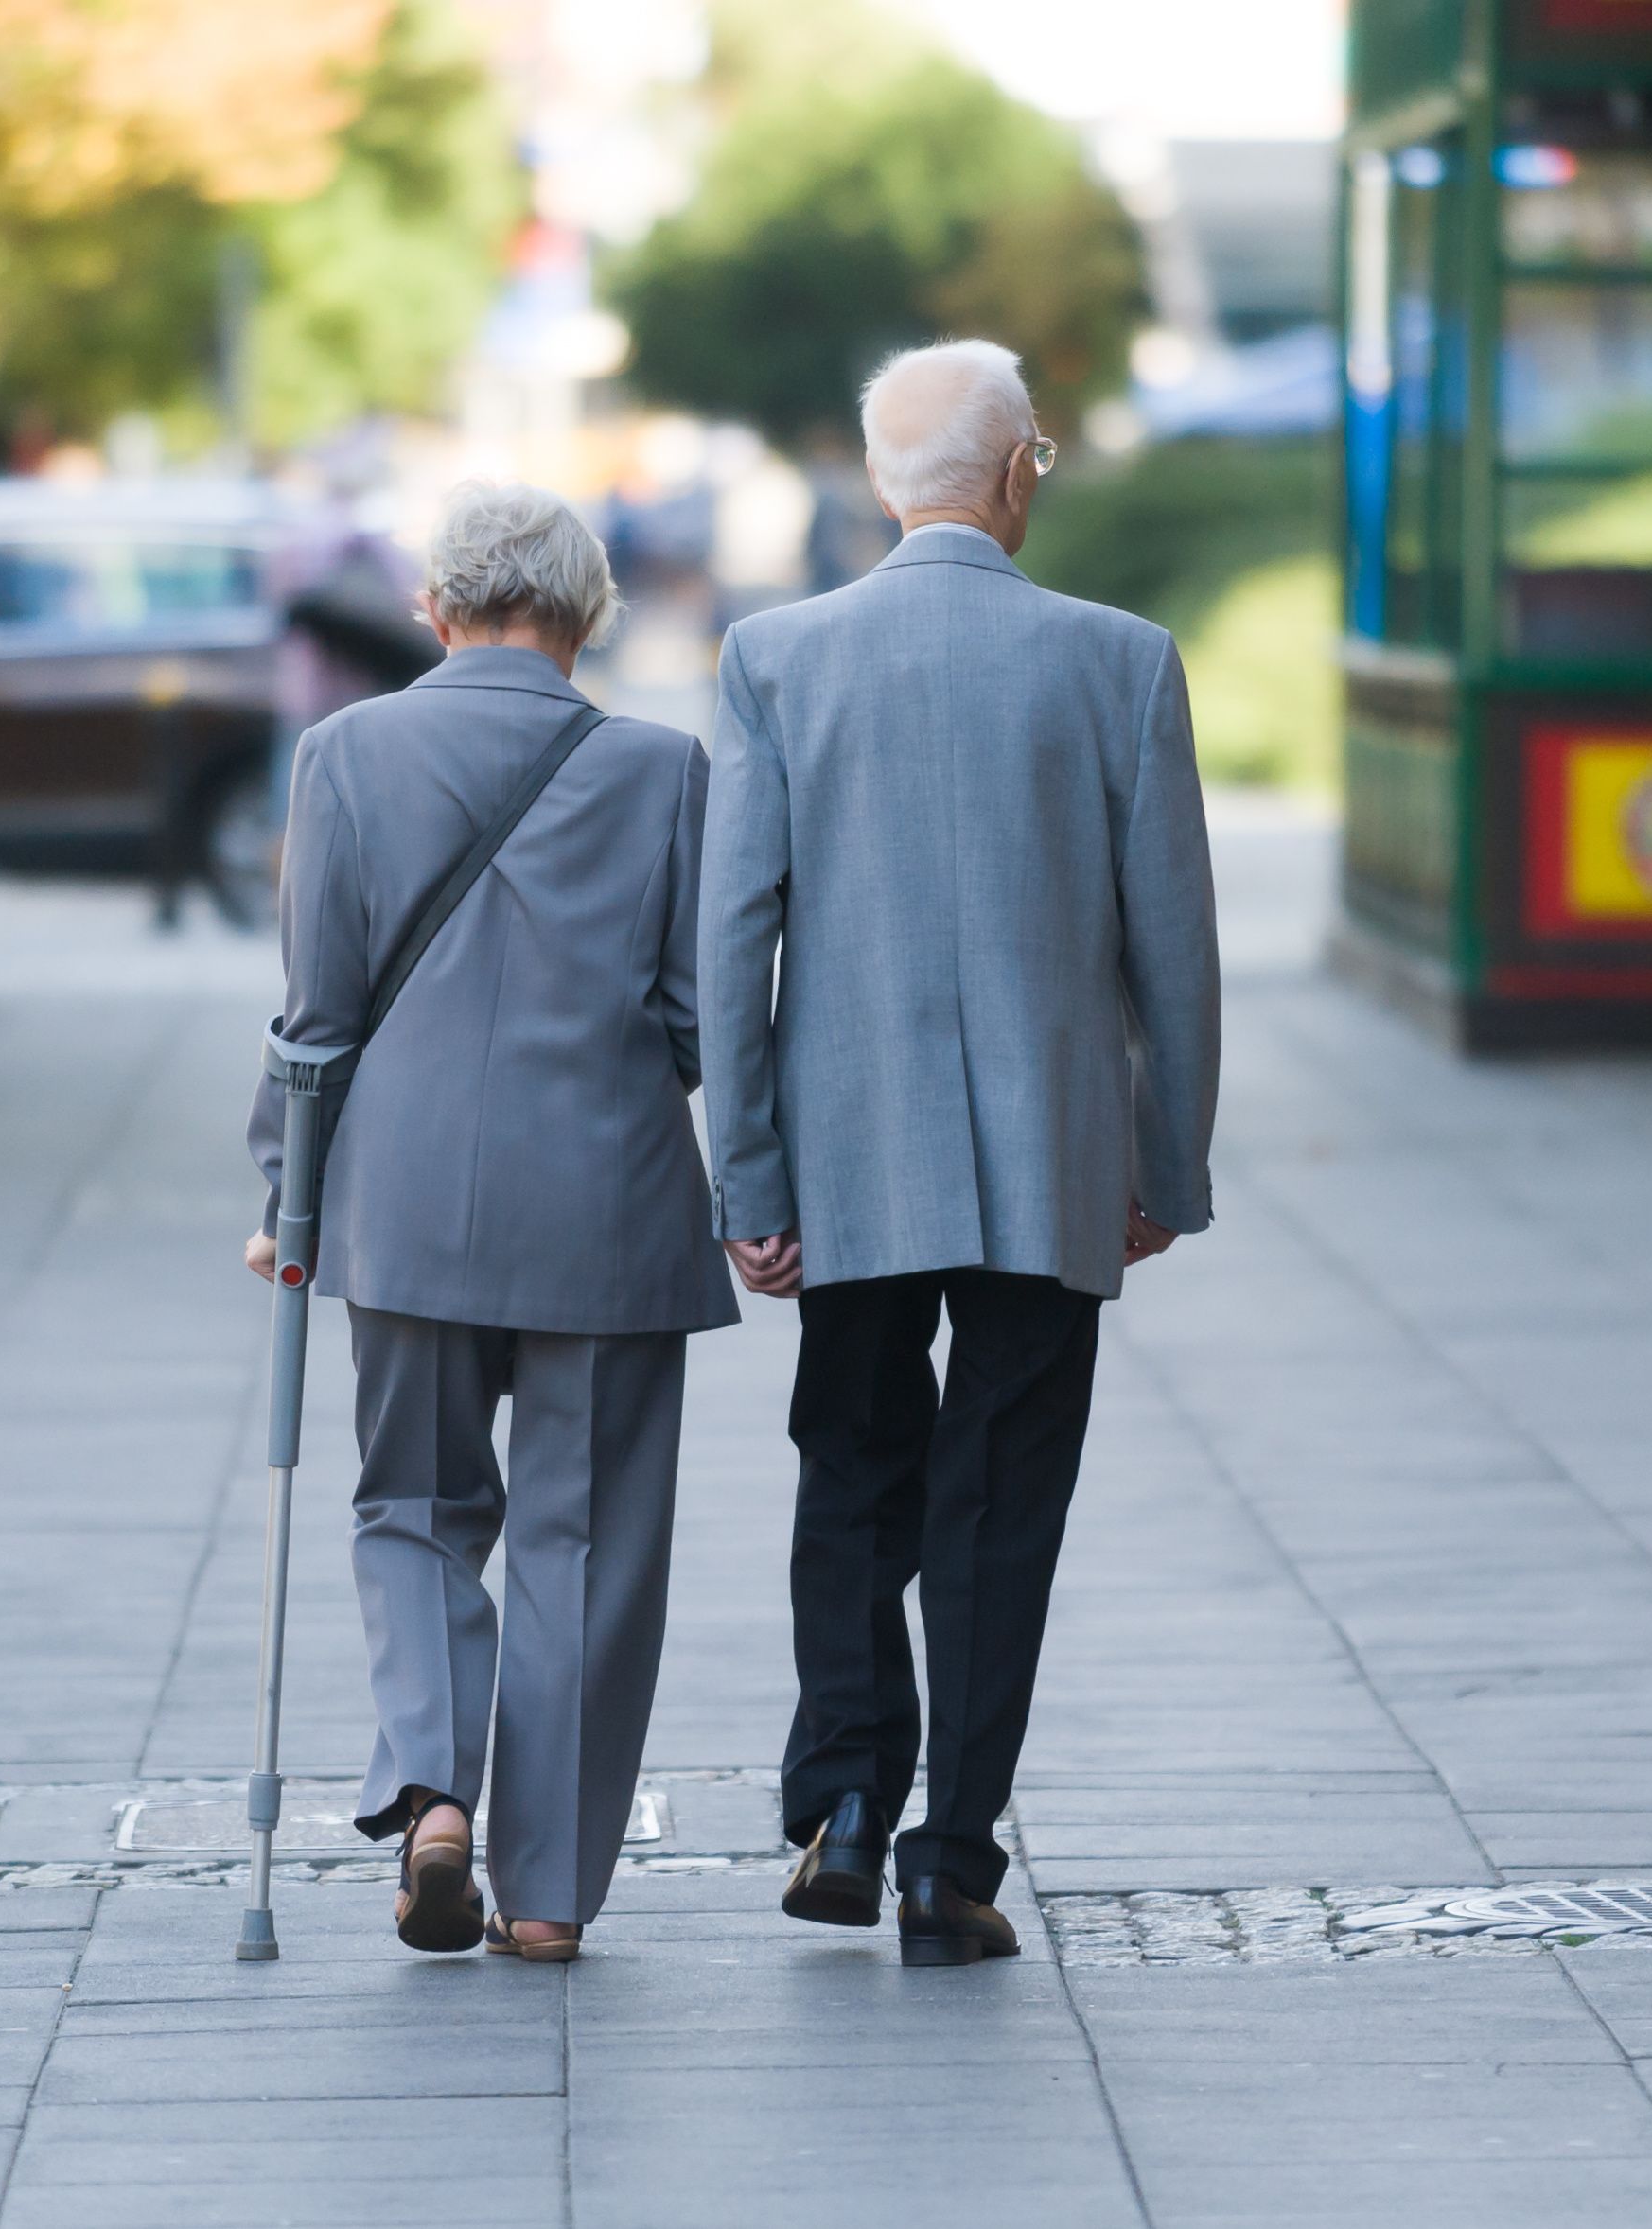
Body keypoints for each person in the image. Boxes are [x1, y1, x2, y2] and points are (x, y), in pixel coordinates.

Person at [696, 340, 1221, 1967]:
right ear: (1015, 476)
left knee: (852, 1472)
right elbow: (1174, 954)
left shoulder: (774, 659)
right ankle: (954, 1862)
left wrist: (752, 1178)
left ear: (881, 482)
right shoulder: (1120, 662)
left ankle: (847, 1801)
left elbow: (734, 939)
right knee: (1000, 1508)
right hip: (1050, 1165)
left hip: (850, 1157)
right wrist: (1165, 1168)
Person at [248, 483, 733, 1963]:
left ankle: (432, 1788)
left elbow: (315, 1016)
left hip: (400, 1206)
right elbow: (698, 1018)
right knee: (588, 1543)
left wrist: (288, 1195)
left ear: (434, 609)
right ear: (589, 614)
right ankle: (547, 1895)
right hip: (609, 1207)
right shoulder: (662, 771)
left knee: (412, 1507)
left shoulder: (342, 755)